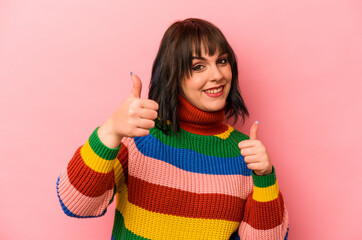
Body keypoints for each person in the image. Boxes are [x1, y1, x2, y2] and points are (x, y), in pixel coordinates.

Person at [56, 18, 289, 239]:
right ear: (173, 75)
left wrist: (265, 178)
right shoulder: (139, 138)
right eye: (199, 66)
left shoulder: (245, 153)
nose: (217, 75)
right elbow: (76, 203)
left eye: (222, 61)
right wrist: (110, 131)